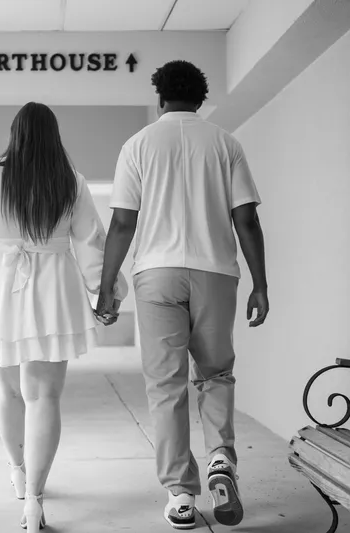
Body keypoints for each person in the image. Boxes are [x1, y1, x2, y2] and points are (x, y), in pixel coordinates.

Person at [96, 60, 269, 530]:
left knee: (165, 386)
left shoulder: (137, 145)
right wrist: (261, 283)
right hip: (215, 274)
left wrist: (108, 285)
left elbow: (122, 223)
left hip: (155, 275)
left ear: (159, 97)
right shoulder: (225, 143)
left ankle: (180, 495)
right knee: (216, 374)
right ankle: (220, 459)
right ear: (200, 96)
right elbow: (247, 219)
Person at [0, 102, 127, 532]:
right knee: (44, 397)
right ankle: (35, 501)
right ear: (53, 136)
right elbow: (91, 244)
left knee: (8, 393)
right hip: (53, 288)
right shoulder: (70, 180)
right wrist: (109, 293)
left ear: (15, 133)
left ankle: (18, 473)